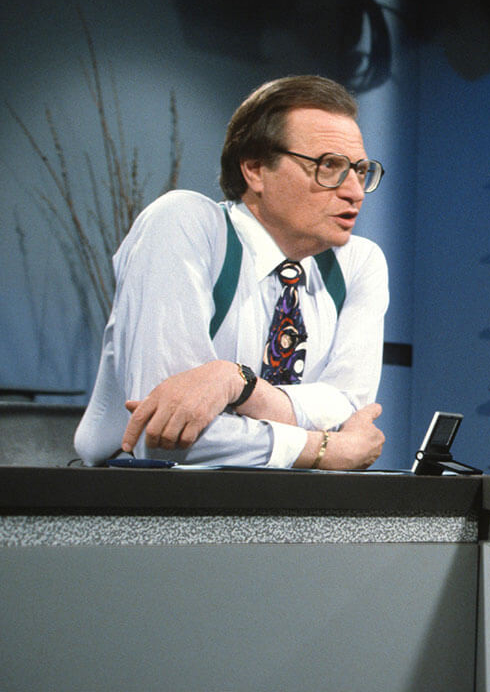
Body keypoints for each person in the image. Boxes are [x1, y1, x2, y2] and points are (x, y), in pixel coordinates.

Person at [74, 75, 388, 469]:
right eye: (329, 166)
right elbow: (165, 437)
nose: (354, 191)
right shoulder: (184, 224)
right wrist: (326, 449)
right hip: (140, 506)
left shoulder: (359, 262)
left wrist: (236, 384)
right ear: (255, 169)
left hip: (287, 508)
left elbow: (350, 411)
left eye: (360, 170)